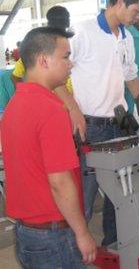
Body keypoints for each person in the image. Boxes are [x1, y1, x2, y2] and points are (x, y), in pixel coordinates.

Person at [54, 0, 139, 246]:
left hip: (119, 124)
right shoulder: (83, 32)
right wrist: (74, 110)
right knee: (84, 198)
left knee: (118, 196)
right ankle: (72, 251)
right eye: (135, 11)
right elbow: (53, 77)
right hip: (91, 127)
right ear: (120, 2)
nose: (137, 17)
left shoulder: (126, 37)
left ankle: (114, 246)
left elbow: (131, 78)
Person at [1, 27, 97, 268]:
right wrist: (82, 233)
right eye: (65, 57)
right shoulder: (50, 109)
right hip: (54, 236)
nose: (70, 64)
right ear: (44, 60)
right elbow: (60, 182)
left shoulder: (15, 105)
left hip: (27, 234)